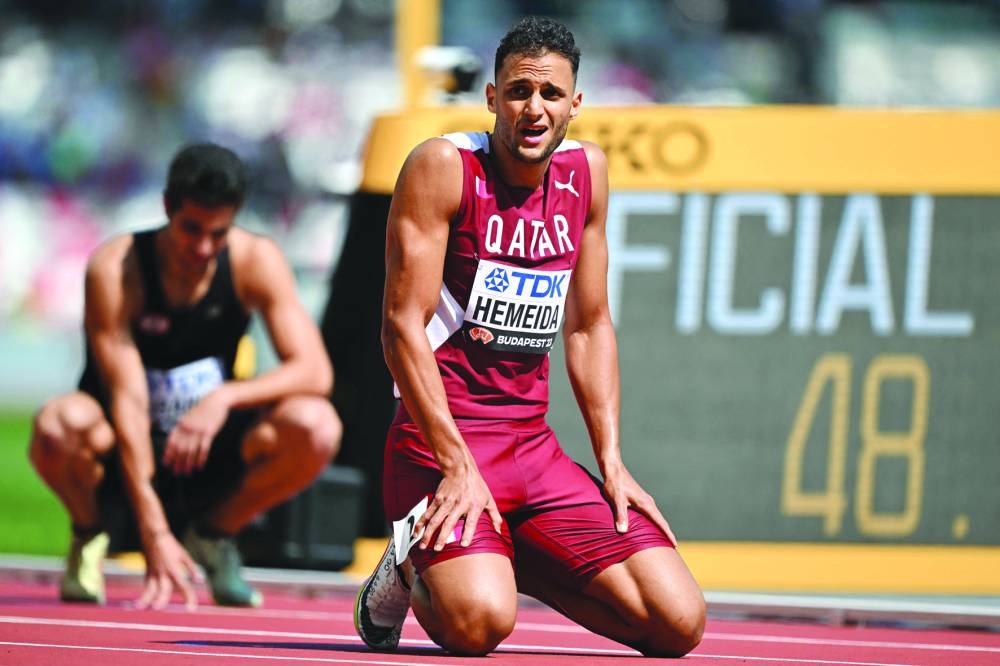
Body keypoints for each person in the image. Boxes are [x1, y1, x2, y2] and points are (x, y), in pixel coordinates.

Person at [354, 16, 704, 658]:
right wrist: (457, 462)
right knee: (481, 626)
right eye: (518, 91)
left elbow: (590, 324)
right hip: (440, 446)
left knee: (677, 624)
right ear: (493, 98)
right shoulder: (443, 166)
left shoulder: (587, 173)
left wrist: (612, 461)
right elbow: (400, 326)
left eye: (550, 94)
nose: (533, 108)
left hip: (532, 452)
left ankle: (504, 548)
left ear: (575, 104)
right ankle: (409, 566)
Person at [28, 142, 342, 610]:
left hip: (204, 450)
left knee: (316, 425)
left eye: (218, 234)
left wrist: (223, 399)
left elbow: (315, 370)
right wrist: (151, 530)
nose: (202, 249)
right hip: (120, 444)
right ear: (167, 208)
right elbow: (129, 402)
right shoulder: (117, 269)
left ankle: (214, 535)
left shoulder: (256, 261)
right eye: (191, 229)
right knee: (58, 424)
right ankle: (90, 533)